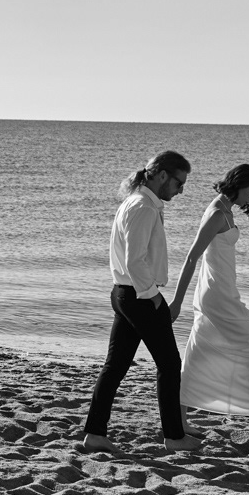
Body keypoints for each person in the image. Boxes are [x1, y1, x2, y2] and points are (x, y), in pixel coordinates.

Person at [82, 150, 202, 454]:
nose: (181, 190)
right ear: (162, 175)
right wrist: (154, 297)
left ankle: (95, 433)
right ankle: (174, 436)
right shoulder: (143, 207)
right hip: (139, 296)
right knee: (169, 364)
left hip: (126, 293)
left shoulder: (137, 202)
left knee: (116, 366)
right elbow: (134, 260)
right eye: (179, 183)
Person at [168, 164, 249, 432]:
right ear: (238, 183)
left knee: (199, 353)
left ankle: (181, 419)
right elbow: (191, 258)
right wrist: (176, 302)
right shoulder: (218, 214)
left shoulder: (224, 209)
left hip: (222, 291)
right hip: (217, 295)